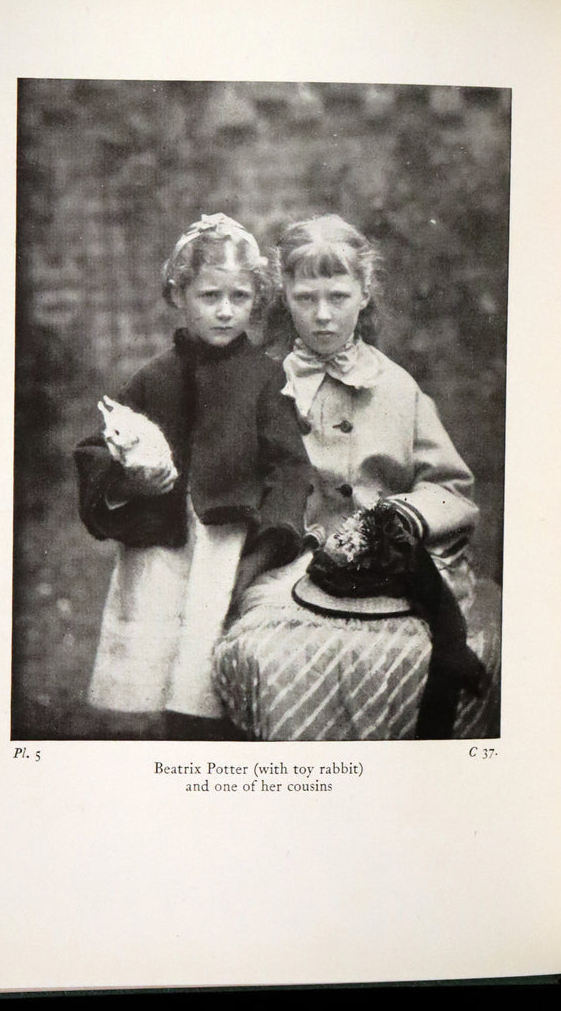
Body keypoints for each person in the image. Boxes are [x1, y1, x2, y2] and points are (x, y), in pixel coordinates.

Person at [214, 214, 501, 740]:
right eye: (306, 298)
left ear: (365, 293)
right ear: (285, 298)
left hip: (395, 571)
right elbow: (235, 484)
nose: (323, 316)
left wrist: (406, 516)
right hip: (294, 568)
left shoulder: (397, 388)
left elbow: (450, 488)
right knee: (274, 655)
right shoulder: (260, 385)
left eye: (339, 296)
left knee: (426, 658)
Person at [74, 214, 313, 740]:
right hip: (162, 545)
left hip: (226, 547)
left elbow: (290, 466)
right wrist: (127, 482)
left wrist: (268, 543)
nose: (226, 311)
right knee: (163, 669)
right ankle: (175, 753)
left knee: (212, 670)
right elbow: (98, 448)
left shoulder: (264, 377)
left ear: (256, 299)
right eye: (209, 295)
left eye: (240, 297)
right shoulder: (155, 376)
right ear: (179, 294)